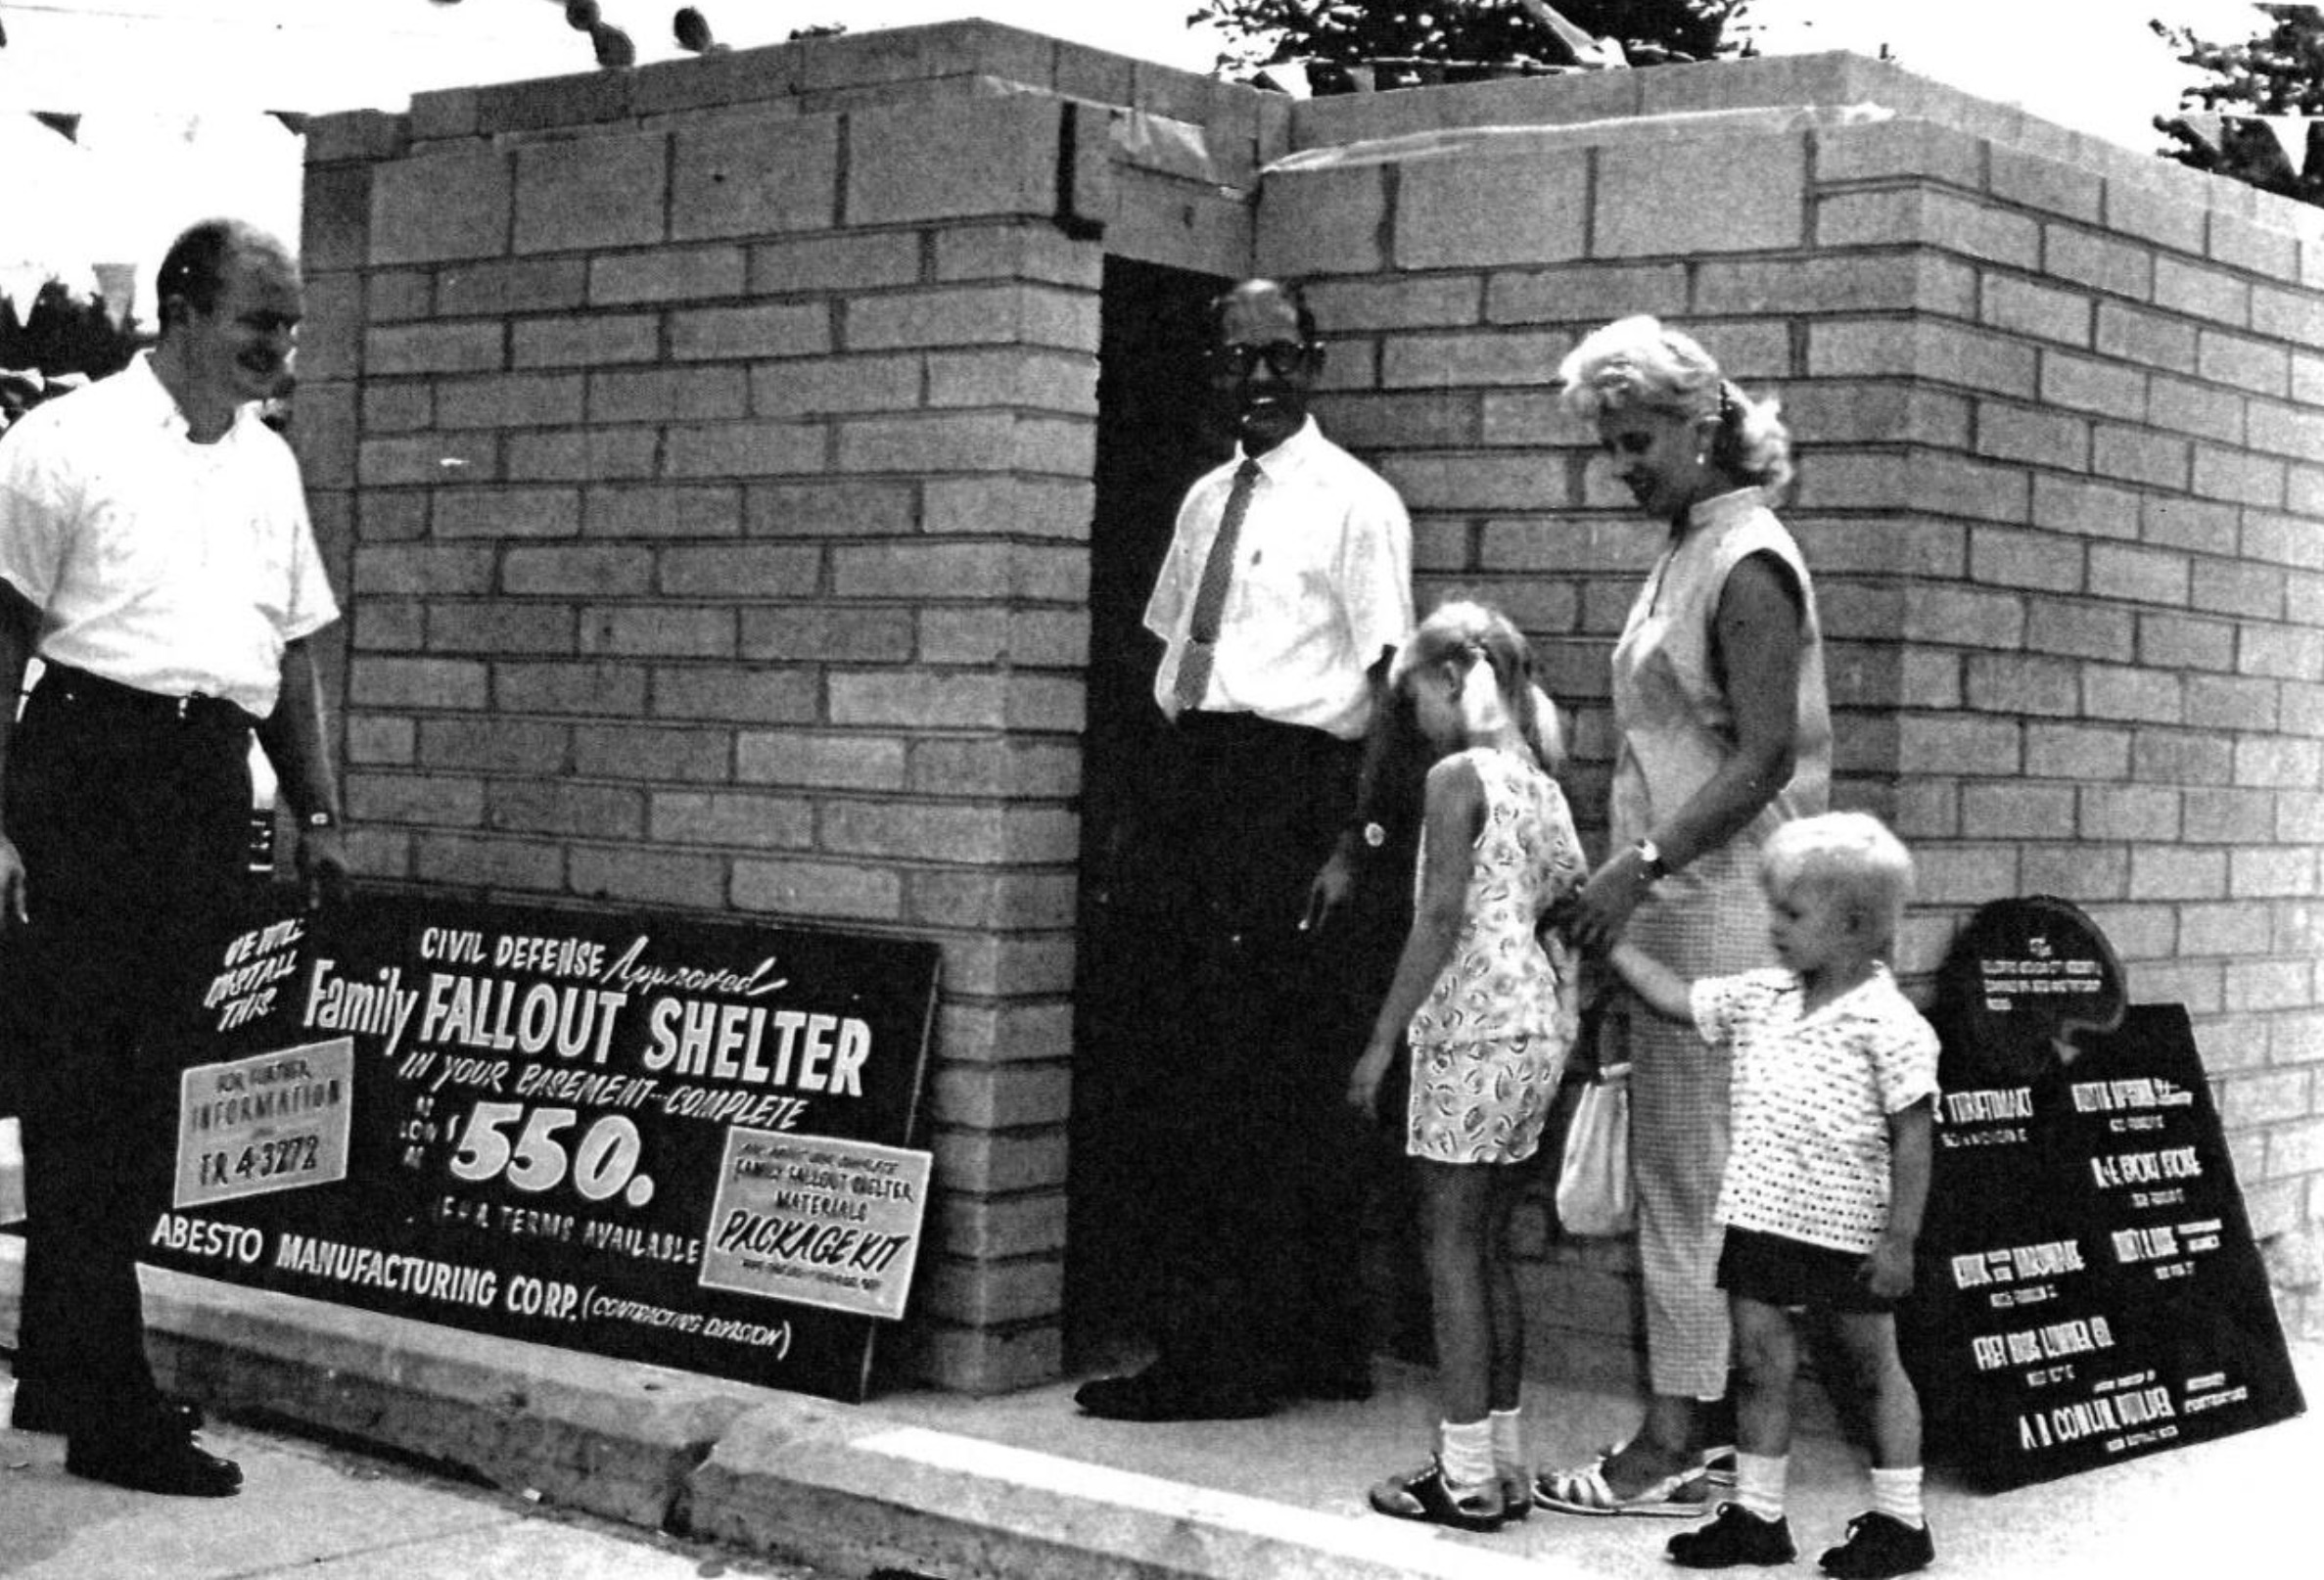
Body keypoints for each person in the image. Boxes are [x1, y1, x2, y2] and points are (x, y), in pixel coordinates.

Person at [0, 217, 350, 1496]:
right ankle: (114, 1410)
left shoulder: (268, 465)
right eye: (262, 319)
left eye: (291, 323)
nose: (281, 345)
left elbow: (289, 650)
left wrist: (316, 813)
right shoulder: (64, 443)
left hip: (203, 786)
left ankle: (61, 1370)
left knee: (144, 1101)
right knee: (90, 1099)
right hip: (85, 774)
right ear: (184, 309)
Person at [1073, 277, 1415, 1421]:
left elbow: (1391, 686)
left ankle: (1224, 1361)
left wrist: (1357, 842)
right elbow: (1172, 655)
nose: (1259, 379)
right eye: (1237, 359)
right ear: (1212, 371)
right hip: (1199, 785)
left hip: (1291, 795)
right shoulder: (1204, 500)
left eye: (1281, 357)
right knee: (1188, 1060)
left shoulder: (1357, 503)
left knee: (1251, 1078)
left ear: (1315, 362)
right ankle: (1285, 1343)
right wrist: (1150, 808)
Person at [1538, 314, 1833, 1516]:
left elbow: (1763, 757)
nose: (1620, 465)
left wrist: (1638, 866)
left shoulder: (1746, 557)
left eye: (1637, 440)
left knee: (1693, 1182)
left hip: (1720, 907)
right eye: (1608, 444)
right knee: (1683, 1177)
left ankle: (1679, 1443)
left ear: (1704, 423)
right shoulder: (1690, 545)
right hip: (1671, 903)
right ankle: (1698, 1428)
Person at [1586, 813, 1938, 1578]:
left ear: (1854, 926)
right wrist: (1609, 945)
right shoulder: (1762, 997)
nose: (1773, 925)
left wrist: (1899, 1241)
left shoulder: (1891, 1024)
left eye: (1792, 913)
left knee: (1873, 1370)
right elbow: (1679, 999)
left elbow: (1915, 1137)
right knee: (1759, 1365)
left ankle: (1901, 1521)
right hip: (1760, 1216)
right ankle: (1757, 1516)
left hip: (1848, 1228)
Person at [1347, 602, 1586, 1531]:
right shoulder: (1543, 787)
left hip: (1468, 1030)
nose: (1416, 722)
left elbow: (1439, 918)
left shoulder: (1457, 779)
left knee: (1446, 1248)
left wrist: (1382, 1040)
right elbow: (1566, 908)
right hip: (1533, 1030)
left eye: (1417, 700)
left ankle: (1466, 1476)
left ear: (1450, 679)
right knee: (1487, 1247)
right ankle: (1507, 1464)